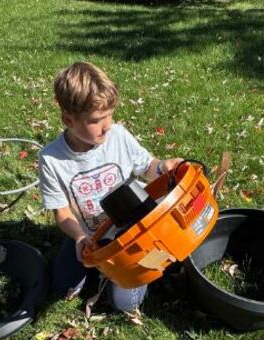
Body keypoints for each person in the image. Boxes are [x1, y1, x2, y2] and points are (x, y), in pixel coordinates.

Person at [38, 61, 183, 311]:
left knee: (124, 304)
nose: (107, 125)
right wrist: (79, 237)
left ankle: (143, 267)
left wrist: (162, 167)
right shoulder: (52, 159)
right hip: (89, 236)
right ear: (68, 119)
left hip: (131, 233)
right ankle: (99, 264)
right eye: (97, 120)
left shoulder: (118, 136)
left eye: (110, 115)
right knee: (62, 288)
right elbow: (61, 212)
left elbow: (146, 167)